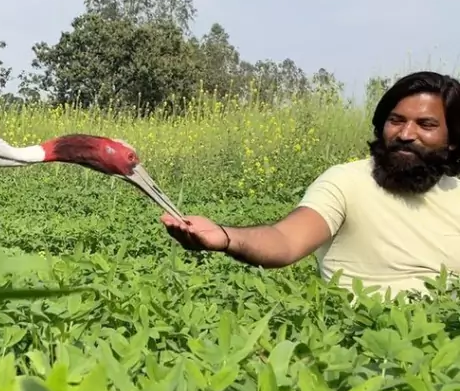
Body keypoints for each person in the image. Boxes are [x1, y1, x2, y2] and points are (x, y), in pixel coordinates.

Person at [161, 70, 460, 297]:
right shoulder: (347, 182)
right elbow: (286, 239)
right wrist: (226, 237)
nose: (406, 133)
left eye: (426, 124)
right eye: (396, 120)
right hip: (361, 338)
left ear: (453, 141)